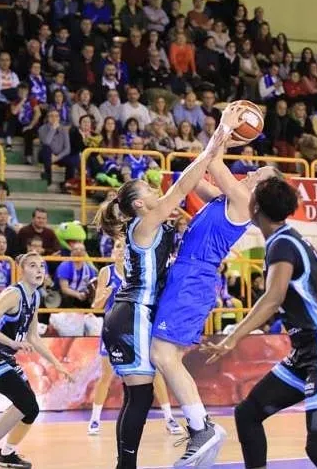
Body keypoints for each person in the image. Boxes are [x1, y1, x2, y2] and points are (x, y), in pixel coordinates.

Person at [94, 117, 230, 469]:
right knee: (139, 397)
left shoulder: (146, 223)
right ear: (139, 204)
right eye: (148, 190)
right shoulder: (144, 222)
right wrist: (213, 145)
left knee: (138, 396)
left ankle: (126, 465)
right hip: (133, 313)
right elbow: (182, 187)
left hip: (133, 313)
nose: (155, 191)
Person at [202, 176, 317, 469]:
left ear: (255, 207)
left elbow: (272, 298)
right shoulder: (284, 238)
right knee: (248, 413)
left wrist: (232, 337)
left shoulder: (283, 243)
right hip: (308, 348)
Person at [151, 127, 281, 466]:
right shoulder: (228, 198)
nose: (252, 171)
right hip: (189, 276)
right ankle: (201, 427)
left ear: (263, 190)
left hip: (193, 278)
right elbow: (195, 176)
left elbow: (212, 162)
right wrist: (219, 142)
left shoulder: (243, 202)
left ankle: (202, 428)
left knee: (162, 355)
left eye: (259, 173)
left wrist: (225, 127)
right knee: (165, 356)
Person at [0, 252, 71, 469]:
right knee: (24, 401)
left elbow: (33, 337)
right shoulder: (13, 294)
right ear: (22, 271)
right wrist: (12, 343)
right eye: (33, 266)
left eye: (42, 266)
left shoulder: (35, 296)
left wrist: (57, 363)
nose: (39, 270)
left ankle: (8, 453)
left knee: (31, 409)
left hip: (1, 355)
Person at [88, 237, 183, 437]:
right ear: (112, 251)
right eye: (117, 246)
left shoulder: (139, 272)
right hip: (114, 329)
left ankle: (169, 418)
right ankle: (95, 419)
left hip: (138, 328)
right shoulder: (106, 272)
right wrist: (104, 295)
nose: (121, 250)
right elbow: (96, 306)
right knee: (106, 375)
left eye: (125, 246)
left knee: (154, 373)